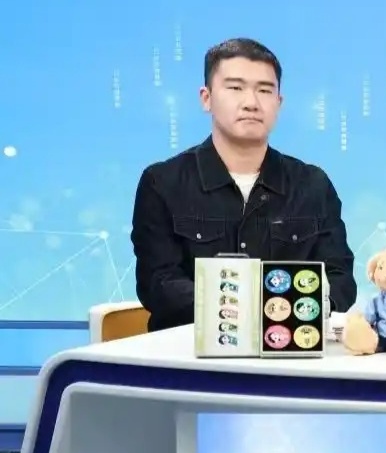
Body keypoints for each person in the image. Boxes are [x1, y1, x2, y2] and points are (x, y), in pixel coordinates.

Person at [131, 38, 357, 332]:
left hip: (288, 348)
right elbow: (158, 284)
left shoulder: (313, 185)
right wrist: (254, 305)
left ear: (279, 103)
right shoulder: (162, 182)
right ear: (206, 98)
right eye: (235, 88)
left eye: (264, 90)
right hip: (188, 351)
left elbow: (340, 279)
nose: (251, 102)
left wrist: (293, 310)